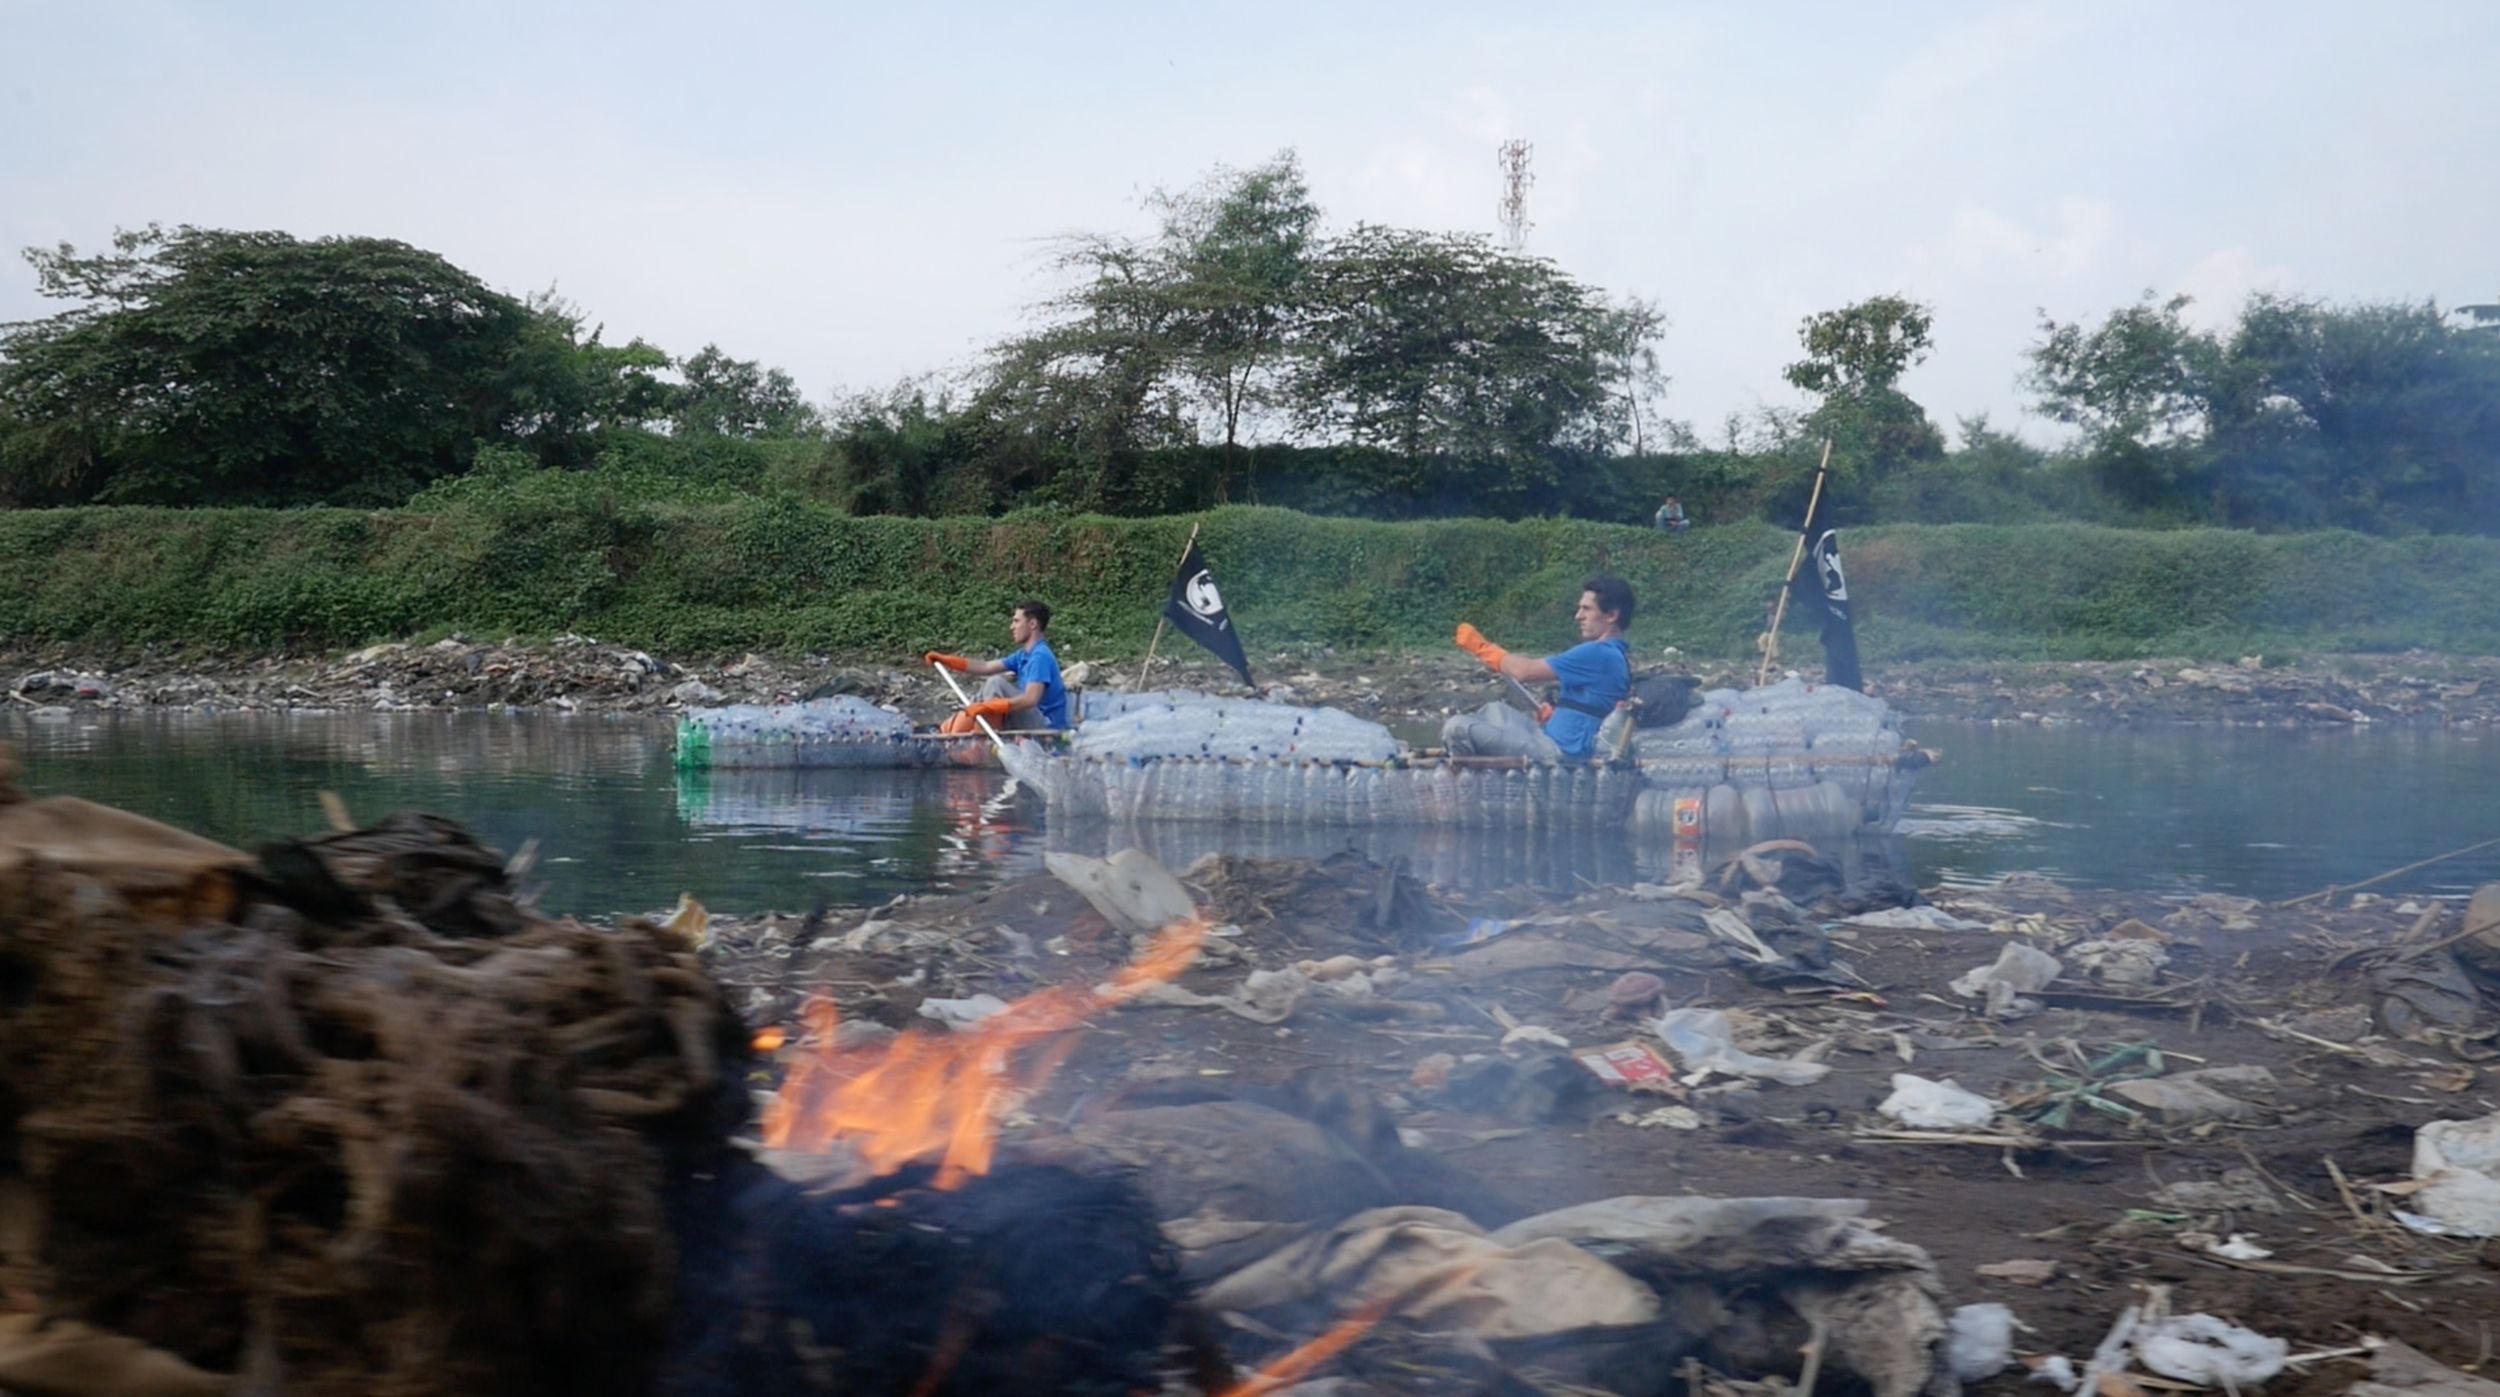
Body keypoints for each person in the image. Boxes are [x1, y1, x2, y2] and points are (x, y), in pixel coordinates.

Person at [1441, 575, 1635, 761]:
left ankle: (1464, 781)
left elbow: (1524, 671)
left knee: (1456, 727)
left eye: (1587, 609)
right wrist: (1556, 715)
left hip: (1557, 752)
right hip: (1548, 735)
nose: (1578, 616)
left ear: (1611, 615)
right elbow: (1589, 705)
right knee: (1495, 710)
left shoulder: (1599, 653)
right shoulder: (1613, 655)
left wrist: (1482, 647)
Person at [924, 600, 1068, 735]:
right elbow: (985, 667)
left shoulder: (1040, 656)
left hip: (1046, 728)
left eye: (1016, 621)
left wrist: (991, 707)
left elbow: (1031, 699)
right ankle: (945, 731)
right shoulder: (1023, 655)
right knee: (982, 695)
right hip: (1029, 719)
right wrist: (946, 660)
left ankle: (982, 741)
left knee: (995, 683)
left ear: (1032, 624)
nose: (1012, 627)